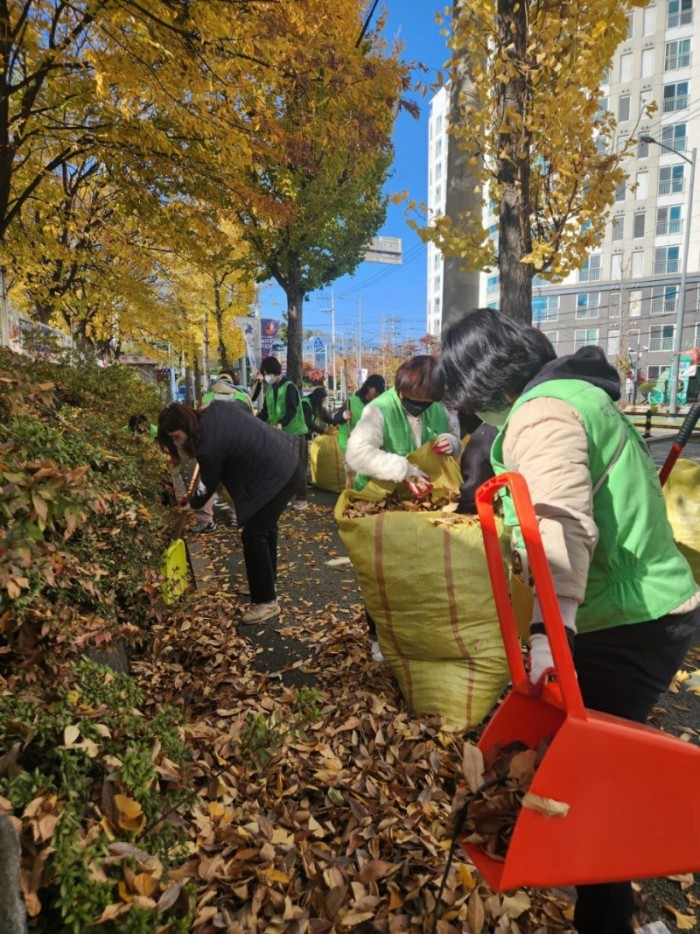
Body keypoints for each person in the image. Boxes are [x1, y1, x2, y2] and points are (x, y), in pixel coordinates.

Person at [437, 308, 700, 934]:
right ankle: (614, 912)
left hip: (631, 617)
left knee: (589, 780)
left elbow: (558, 526)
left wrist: (548, 637)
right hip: (633, 607)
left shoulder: (544, 411)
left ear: (482, 382)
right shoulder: (576, 395)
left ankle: (609, 922)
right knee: (592, 769)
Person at [345, 355, 462, 661]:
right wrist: (402, 467)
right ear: (401, 390)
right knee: (380, 575)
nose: (419, 407)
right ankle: (378, 638)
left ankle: (412, 633)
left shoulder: (436, 409)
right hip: (376, 505)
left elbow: (455, 438)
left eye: (426, 402)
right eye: (413, 401)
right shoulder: (378, 409)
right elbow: (356, 455)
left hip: (417, 507)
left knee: (415, 574)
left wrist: (451, 441)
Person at [157, 401, 304, 624]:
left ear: (186, 425)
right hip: (285, 460)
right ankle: (265, 581)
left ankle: (266, 602)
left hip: (278, 474)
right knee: (264, 528)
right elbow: (243, 408)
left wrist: (194, 503)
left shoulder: (208, 445)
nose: (177, 442)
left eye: (176, 437)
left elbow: (209, 480)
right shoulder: (216, 408)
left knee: (254, 534)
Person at [255, 357, 308, 510]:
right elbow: (265, 411)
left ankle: (301, 498)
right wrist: (255, 422)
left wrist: (281, 423)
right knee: (282, 467)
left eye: (267, 373)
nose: (266, 377)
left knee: (298, 467)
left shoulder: (289, 387)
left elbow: (292, 409)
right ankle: (286, 497)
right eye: (264, 374)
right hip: (278, 434)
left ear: (275, 372)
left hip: (294, 432)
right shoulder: (270, 390)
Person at [333, 374, 386, 454]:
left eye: (381, 391)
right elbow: (335, 419)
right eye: (376, 390)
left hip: (368, 448)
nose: (378, 394)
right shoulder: (352, 402)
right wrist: (343, 416)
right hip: (349, 447)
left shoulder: (378, 404)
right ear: (368, 387)